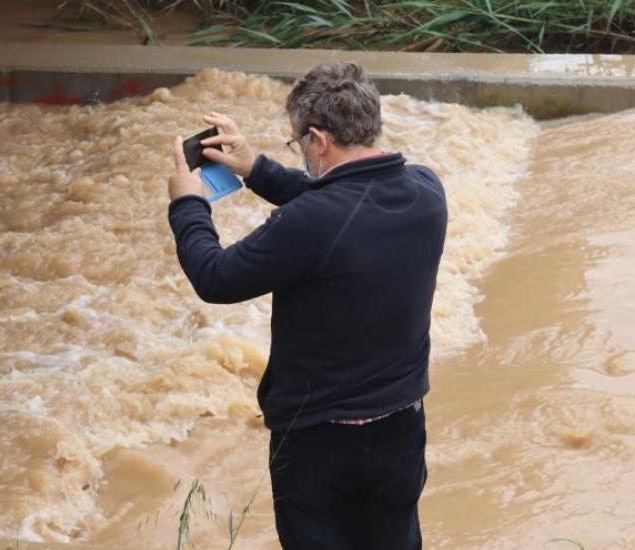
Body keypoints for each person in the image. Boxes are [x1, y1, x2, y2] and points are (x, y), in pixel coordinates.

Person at [165, 62, 447, 550]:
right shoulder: (426, 190)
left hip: (321, 441)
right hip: (402, 428)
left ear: (318, 139)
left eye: (297, 142)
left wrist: (188, 205)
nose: (299, 149)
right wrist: (256, 169)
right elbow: (344, 201)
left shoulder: (311, 221)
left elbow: (215, 277)